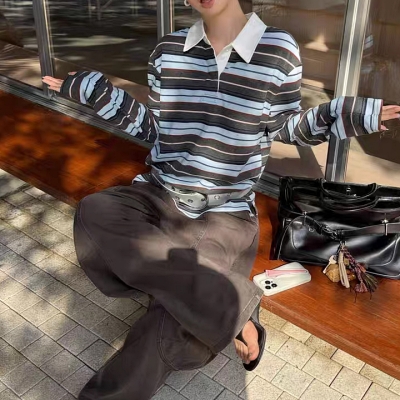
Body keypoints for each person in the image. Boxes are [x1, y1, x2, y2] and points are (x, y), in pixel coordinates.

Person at [42, 0, 400, 399]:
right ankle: (233, 305)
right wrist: (97, 93)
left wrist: (350, 114)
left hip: (225, 212)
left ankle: (205, 306)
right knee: (97, 210)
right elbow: (154, 128)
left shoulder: (277, 48)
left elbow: (288, 127)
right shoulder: (168, 50)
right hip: (159, 193)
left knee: (172, 322)